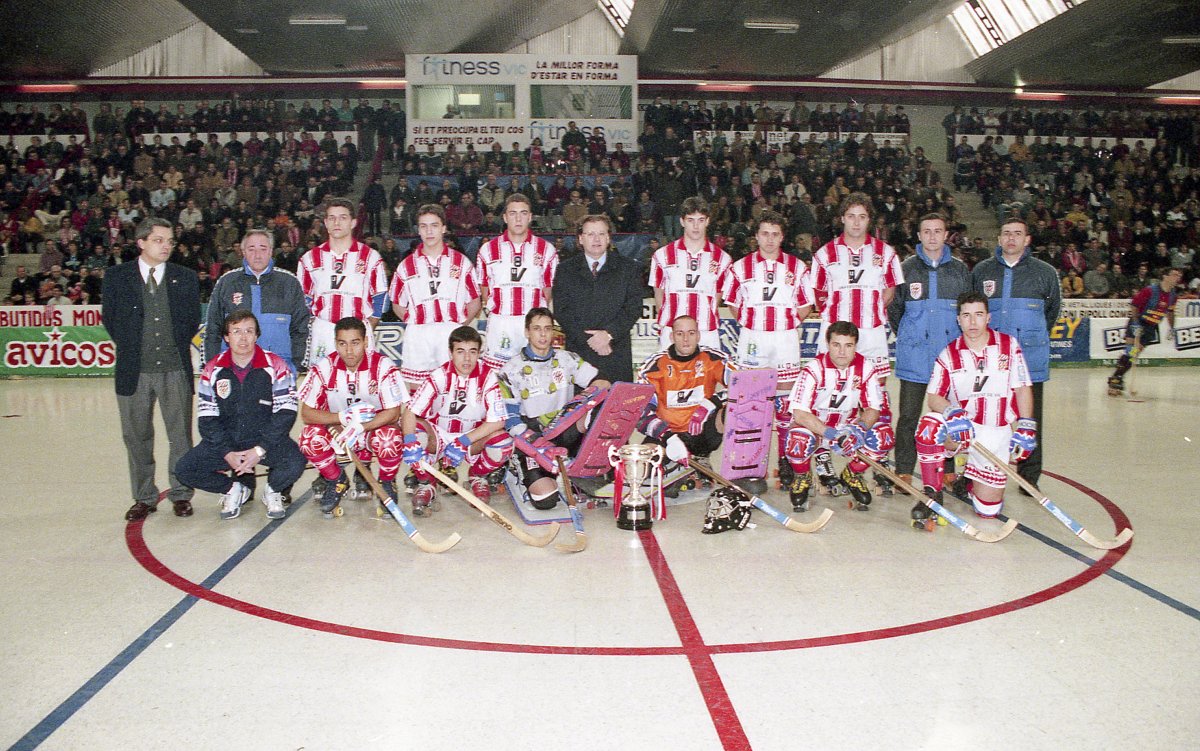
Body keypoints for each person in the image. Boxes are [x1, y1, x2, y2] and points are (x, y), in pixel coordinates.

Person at [102, 217, 201, 521]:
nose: (166, 246)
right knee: (136, 436)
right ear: (141, 242)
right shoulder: (117, 277)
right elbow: (111, 319)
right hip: (135, 371)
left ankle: (181, 493)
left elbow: (191, 320)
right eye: (159, 240)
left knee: (180, 436)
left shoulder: (184, 277)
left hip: (175, 369)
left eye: (170, 241)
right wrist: (134, 347)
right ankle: (144, 496)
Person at [810, 192, 904, 488]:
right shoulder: (825, 253)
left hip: (872, 334)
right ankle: (823, 453)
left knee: (876, 394)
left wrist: (871, 314)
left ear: (869, 220)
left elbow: (889, 292)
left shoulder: (885, 252)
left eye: (862, 216)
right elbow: (818, 293)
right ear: (841, 219)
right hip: (835, 335)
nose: (856, 222)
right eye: (851, 216)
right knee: (827, 393)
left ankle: (874, 456)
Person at [914, 292, 1035, 520]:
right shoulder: (948, 354)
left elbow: (1022, 388)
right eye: (966, 315)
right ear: (958, 319)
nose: (972, 322)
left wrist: (1027, 425)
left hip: (996, 432)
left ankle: (969, 481)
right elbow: (933, 397)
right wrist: (952, 411)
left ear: (988, 317)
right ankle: (932, 494)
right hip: (963, 430)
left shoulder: (1009, 346)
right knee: (929, 426)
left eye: (978, 315)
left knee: (988, 511)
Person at [718, 210, 814, 493]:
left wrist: (785, 325)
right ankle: (751, 462)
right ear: (756, 236)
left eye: (775, 234)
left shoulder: (797, 267)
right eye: (764, 234)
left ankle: (786, 461)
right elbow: (733, 304)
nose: (770, 240)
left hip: (785, 340)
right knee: (754, 404)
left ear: (782, 237)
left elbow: (806, 304)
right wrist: (754, 325)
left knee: (785, 403)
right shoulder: (740, 267)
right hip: (754, 340)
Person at [175, 312, 305, 521]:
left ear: (256, 336)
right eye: (236, 332)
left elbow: (286, 413)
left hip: (264, 440)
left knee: (295, 462)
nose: (243, 338)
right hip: (228, 440)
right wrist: (227, 452)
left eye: (249, 331)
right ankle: (233, 489)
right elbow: (207, 419)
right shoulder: (212, 369)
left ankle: (272, 490)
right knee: (184, 470)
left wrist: (260, 450)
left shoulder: (277, 366)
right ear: (226, 337)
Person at [971, 217, 1060, 487]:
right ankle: (976, 471)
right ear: (998, 239)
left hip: (1030, 361)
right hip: (992, 362)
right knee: (985, 414)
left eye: (1017, 234)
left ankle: (1029, 476)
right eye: (1006, 233)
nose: (1011, 238)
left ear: (1027, 239)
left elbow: (1052, 312)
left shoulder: (1044, 272)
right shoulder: (983, 271)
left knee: (1030, 418)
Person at [887, 213, 972, 487]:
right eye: (927, 231)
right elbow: (895, 310)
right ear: (919, 236)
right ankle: (903, 469)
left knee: (946, 414)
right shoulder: (906, 268)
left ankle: (947, 468)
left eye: (938, 231)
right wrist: (911, 336)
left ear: (946, 235)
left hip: (949, 359)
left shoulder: (960, 271)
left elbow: (967, 311)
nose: (933, 236)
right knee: (909, 416)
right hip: (915, 356)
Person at [497, 307, 610, 509]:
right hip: (533, 439)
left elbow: (599, 382)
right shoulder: (510, 370)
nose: (542, 334)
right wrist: (538, 445)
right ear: (527, 332)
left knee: (599, 409)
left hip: (564, 431)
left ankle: (583, 466)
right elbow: (510, 420)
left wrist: (596, 390)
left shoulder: (567, 359)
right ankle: (521, 468)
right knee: (546, 501)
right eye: (537, 329)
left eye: (547, 329)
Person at [297, 317, 408, 517]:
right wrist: (341, 418)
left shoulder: (383, 366)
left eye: (355, 343)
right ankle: (336, 479)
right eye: (342, 343)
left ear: (366, 342)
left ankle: (387, 481)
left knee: (389, 439)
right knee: (308, 439)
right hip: (340, 432)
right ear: (335, 343)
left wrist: (362, 428)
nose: (349, 351)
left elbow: (393, 412)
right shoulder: (324, 367)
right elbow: (306, 413)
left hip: (371, 431)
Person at [784, 321, 894, 511]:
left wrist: (859, 429)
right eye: (836, 345)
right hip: (817, 429)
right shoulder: (813, 369)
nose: (842, 352)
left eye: (848, 345)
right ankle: (803, 477)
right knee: (797, 440)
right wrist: (831, 433)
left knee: (883, 435)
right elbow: (800, 414)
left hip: (847, 428)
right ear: (828, 345)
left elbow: (873, 408)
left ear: (855, 346)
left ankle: (852, 474)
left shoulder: (866, 368)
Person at [402, 326, 512, 513]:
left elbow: (498, 421)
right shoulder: (438, 375)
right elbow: (410, 412)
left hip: (471, 437)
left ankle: (477, 476)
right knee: (415, 433)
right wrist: (409, 441)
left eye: (472, 352)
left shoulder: (488, 378)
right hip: (439, 435)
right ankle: (427, 483)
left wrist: (464, 441)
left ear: (479, 353)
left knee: (504, 443)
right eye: (460, 352)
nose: (467, 359)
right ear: (450, 353)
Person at [388, 203, 481, 387]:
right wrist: (413, 320)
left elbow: (475, 301)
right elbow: (397, 303)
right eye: (424, 226)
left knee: (452, 386)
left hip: (450, 332)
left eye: (434, 225)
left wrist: (458, 326)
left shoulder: (461, 262)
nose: (429, 231)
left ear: (444, 228)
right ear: (419, 230)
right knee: (416, 389)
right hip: (419, 334)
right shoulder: (406, 266)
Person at [551, 214, 645, 383]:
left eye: (601, 234)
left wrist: (608, 334)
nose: (596, 239)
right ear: (580, 239)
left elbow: (633, 307)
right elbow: (562, 311)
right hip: (580, 353)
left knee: (616, 407)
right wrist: (590, 340)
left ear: (609, 238)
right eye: (590, 234)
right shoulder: (565, 270)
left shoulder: (629, 268)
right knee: (580, 408)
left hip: (615, 352)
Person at [297, 198, 389, 367]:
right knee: (323, 384)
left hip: (357, 330)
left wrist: (368, 325)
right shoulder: (309, 259)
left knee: (362, 384)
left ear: (353, 222)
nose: (337, 222)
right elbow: (304, 297)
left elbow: (381, 295)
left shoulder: (370, 256)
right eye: (331, 218)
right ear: (325, 222)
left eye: (343, 217)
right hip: (324, 330)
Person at [204, 229, 310, 373]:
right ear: (243, 251)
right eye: (251, 249)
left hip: (278, 369)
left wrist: (295, 365)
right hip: (233, 369)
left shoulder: (289, 282)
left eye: (263, 249)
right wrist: (213, 366)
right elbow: (213, 328)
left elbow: (301, 328)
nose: (257, 255)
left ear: (271, 251)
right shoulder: (227, 282)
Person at [474, 193, 558, 369]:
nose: (518, 218)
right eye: (512, 213)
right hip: (501, 322)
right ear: (504, 217)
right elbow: (484, 287)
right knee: (498, 377)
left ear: (530, 217)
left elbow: (548, 289)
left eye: (523, 213)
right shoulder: (488, 250)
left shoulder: (546, 250)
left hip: (533, 324)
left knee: (535, 375)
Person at [636, 315, 729, 469]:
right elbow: (641, 412)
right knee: (643, 469)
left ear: (698, 336)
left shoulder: (712, 358)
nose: (686, 339)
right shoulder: (654, 366)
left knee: (735, 408)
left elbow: (743, 385)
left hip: (701, 433)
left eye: (691, 333)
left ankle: (707, 459)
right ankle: (675, 467)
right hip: (667, 435)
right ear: (672, 336)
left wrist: (711, 403)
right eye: (680, 334)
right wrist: (668, 437)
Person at [649, 197, 733, 350]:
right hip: (672, 331)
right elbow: (659, 294)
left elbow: (718, 296)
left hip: (707, 331)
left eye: (700, 220)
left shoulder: (723, 259)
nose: (696, 226)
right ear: (682, 221)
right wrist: (668, 327)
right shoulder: (662, 255)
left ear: (707, 221)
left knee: (709, 374)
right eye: (690, 220)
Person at [1107, 267, 1184, 395]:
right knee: (1129, 351)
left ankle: (1117, 377)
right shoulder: (1150, 290)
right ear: (1165, 276)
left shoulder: (1173, 296)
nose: (1178, 278)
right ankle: (1115, 380)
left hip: (1151, 326)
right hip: (1138, 322)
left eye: (1179, 275)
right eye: (1175, 275)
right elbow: (1134, 305)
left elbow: (1170, 312)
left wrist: (1172, 328)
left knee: (1134, 353)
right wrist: (1136, 322)